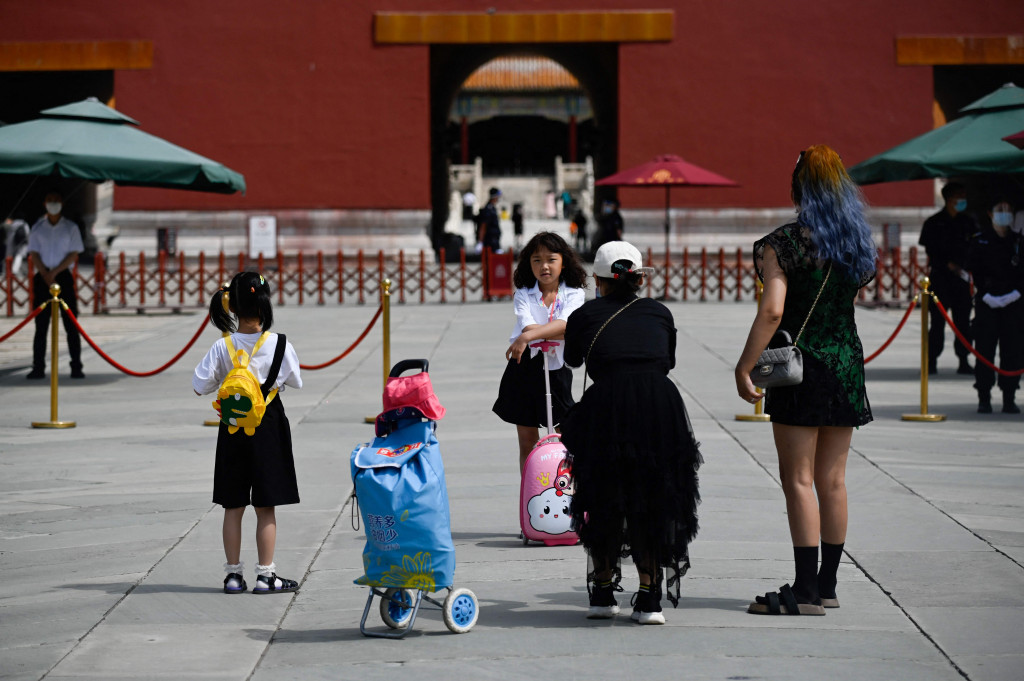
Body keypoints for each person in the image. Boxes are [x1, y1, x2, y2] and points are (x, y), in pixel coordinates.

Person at [734, 145, 876, 616]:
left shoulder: (783, 244)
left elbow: (773, 310)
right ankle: (828, 586)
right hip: (846, 364)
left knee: (798, 479)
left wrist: (744, 365)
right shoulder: (855, 242)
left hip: (802, 370)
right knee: (832, 480)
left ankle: (804, 590)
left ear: (799, 187)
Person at [560, 240, 701, 624]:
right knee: (652, 496)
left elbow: (572, 360)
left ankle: (603, 593)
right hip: (659, 405)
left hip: (608, 404)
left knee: (603, 492)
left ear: (598, 280)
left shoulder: (586, 315)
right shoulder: (660, 312)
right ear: (640, 278)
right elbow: (666, 361)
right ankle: (650, 597)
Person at [192, 271, 303, 594]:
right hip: (267, 425)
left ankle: (232, 575)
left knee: (233, 505)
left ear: (232, 306)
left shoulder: (222, 346)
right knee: (265, 506)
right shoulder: (279, 343)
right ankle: (266, 576)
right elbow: (296, 380)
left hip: (233, 427)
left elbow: (199, 385)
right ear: (265, 303)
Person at [492, 232, 587, 473]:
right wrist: (549, 332)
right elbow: (534, 326)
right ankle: (531, 495)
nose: (544, 266)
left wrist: (528, 337)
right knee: (527, 442)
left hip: (557, 371)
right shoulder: (524, 293)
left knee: (567, 437)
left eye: (551, 259)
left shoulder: (574, 293)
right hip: (523, 368)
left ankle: (566, 493)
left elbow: (569, 326)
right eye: (536, 260)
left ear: (563, 262)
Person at [964, 198, 1023, 414]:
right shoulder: (980, 240)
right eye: (1000, 210)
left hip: (1013, 303)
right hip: (987, 302)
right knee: (985, 350)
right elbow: (973, 271)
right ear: (990, 214)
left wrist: (1016, 293)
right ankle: (984, 396)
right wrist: (986, 294)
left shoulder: (1018, 241)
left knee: (1013, 351)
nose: (1005, 213)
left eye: (1008, 209)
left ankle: (1009, 396)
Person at [26, 192, 85, 379]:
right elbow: (33, 252)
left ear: (62, 204)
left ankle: (76, 366)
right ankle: (38, 367)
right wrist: (45, 273)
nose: (53, 204)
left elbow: (74, 254)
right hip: (43, 277)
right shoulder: (37, 228)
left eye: (57, 201)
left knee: (71, 323)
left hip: (63, 276)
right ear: (44, 203)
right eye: (50, 201)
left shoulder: (71, 228)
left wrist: (55, 272)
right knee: (41, 325)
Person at [918, 182, 974, 374]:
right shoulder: (934, 222)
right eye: (960, 196)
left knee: (963, 322)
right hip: (940, 278)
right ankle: (931, 359)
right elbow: (931, 250)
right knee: (937, 323)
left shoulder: (968, 222)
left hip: (961, 279)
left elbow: (974, 248)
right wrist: (948, 264)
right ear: (949, 199)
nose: (962, 200)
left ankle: (963, 359)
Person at [478, 187, 502, 253]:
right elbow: (483, 226)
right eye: (498, 196)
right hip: (490, 241)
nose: (498, 198)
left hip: (494, 240)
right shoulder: (488, 209)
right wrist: (480, 242)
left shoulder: (492, 208)